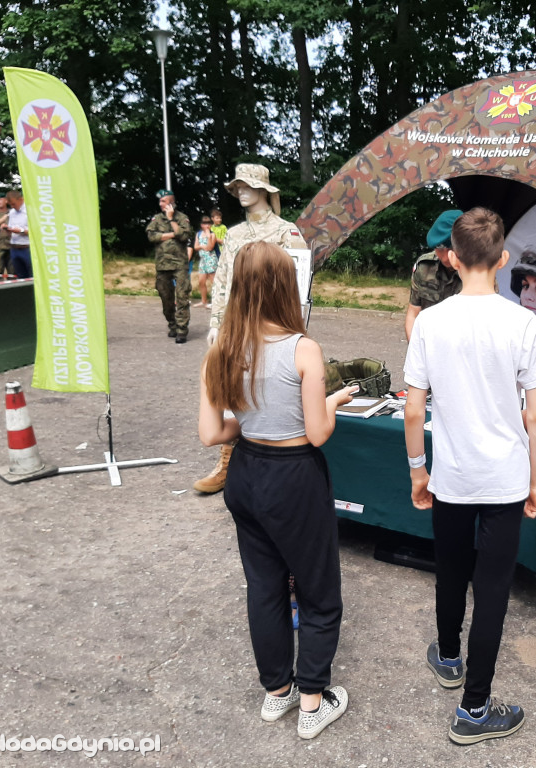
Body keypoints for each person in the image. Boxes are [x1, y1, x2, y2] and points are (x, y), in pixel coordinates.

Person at [403, 207, 536, 745]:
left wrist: (417, 472)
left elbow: (414, 411)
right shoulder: (523, 323)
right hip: (505, 478)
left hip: (452, 475)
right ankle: (474, 709)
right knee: (491, 590)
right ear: (502, 259)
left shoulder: (428, 321)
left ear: (449, 257)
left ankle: (448, 657)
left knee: (449, 568)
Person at [198, 240, 357, 739]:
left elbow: (213, 433)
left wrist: (255, 419)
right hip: (294, 476)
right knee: (318, 591)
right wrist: (332, 401)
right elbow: (317, 434)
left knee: (264, 587)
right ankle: (312, 701)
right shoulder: (303, 348)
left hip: (246, 474)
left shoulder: (221, 350)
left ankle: (276, 694)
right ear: (287, 286)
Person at [195, 163, 307, 495]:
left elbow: (299, 284)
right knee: (231, 386)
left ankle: (276, 455)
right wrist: (216, 322)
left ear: (263, 190)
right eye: (237, 187)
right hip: (236, 323)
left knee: (273, 388)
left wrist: (294, 329)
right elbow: (223, 282)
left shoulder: (287, 232)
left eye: (246, 185)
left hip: (274, 325)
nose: (240, 191)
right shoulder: (233, 234)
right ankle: (228, 462)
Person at [404, 209, 463, 340]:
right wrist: (415, 351)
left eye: (452, 249)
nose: (446, 257)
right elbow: (413, 313)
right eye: (440, 249)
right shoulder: (424, 266)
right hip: (428, 344)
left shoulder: (478, 273)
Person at [145, 189, 193, 343]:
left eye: (163, 201)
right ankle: (172, 324)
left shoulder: (182, 218)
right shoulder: (157, 219)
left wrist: (171, 220)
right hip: (162, 265)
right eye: (160, 201)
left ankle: (181, 330)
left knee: (182, 297)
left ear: (171, 202)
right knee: (165, 297)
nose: (161, 204)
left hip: (180, 264)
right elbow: (151, 236)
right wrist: (173, 234)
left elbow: (185, 235)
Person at [2, 190, 31, 279]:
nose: (12, 207)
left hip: (27, 248)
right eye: (10, 205)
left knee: (31, 276)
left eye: (14, 204)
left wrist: (21, 231)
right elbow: (11, 228)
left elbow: (36, 232)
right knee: (19, 276)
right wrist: (7, 228)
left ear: (21, 199)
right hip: (14, 248)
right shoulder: (12, 212)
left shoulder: (29, 211)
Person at [193, 215, 217, 308]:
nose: (206, 225)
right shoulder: (198, 234)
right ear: (201, 225)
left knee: (213, 281)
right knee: (201, 281)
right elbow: (195, 247)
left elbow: (210, 247)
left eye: (208, 223)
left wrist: (208, 236)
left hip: (211, 259)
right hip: (202, 259)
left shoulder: (212, 234)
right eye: (204, 223)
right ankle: (204, 301)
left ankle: (216, 301)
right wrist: (202, 246)